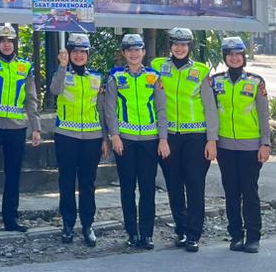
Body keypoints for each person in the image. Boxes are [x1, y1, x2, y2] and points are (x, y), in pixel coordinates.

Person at [203, 36, 270, 253]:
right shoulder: (215, 81)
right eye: (230, 54)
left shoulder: (256, 81)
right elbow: (211, 112)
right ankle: (236, 235)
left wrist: (265, 143)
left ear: (244, 56)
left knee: (250, 192)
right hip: (225, 147)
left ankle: (253, 236)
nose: (234, 58)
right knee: (231, 193)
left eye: (238, 54)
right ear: (225, 57)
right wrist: (212, 140)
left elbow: (264, 115)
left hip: (251, 147)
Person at [103, 34, 169, 250]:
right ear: (124, 53)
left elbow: (161, 109)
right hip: (125, 141)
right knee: (127, 188)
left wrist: (163, 139)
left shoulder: (154, 77)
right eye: (129, 50)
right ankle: (132, 232)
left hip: (150, 141)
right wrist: (114, 136)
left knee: (148, 188)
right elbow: (110, 108)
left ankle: (147, 234)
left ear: (143, 52)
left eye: (137, 49)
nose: (133, 53)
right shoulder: (115, 77)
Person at [151, 27, 213, 251]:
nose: (179, 48)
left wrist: (212, 139)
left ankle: (194, 234)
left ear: (190, 47)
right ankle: (181, 230)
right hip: (168, 137)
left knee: (195, 185)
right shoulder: (158, 66)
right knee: (174, 185)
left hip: (196, 137)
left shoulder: (201, 70)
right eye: (176, 44)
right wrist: (162, 136)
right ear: (170, 46)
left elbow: (210, 107)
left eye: (184, 44)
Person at [0, 24, 41, 233]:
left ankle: (11, 219)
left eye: (10, 41)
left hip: (17, 129)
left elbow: (31, 99)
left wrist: (36, 127)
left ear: (15, 43)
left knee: (13, 175)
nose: (7, 45)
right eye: (3, 41)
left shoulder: (25, 66)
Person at [50, 33, 105, 246]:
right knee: (66, 181)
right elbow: (54, 90)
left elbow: (101, 109)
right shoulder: (62, 73)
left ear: (88, 54)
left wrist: (105, 138)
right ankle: (68, 223)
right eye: (75, 51)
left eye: (83, 52)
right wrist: (62, 66)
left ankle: (88, 224)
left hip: (92, 137)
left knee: (88, 182)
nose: (79, 55)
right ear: (69, 53)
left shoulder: (96, 77)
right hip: (66, 136)